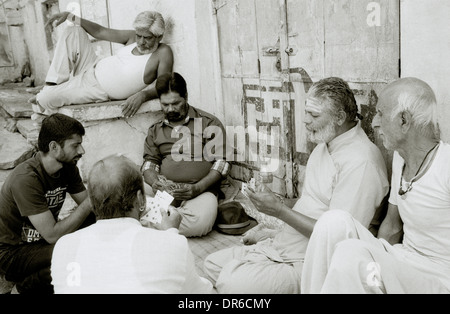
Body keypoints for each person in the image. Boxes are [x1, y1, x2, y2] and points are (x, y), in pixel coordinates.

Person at [203, 77, 390, 294]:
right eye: (306, 112)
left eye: (314, 115)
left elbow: (337, 238)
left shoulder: (362, 161)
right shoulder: (325, 144)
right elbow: (308, 202)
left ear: (339, 117)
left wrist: (279, 211)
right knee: (212, 264)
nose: (305, 120)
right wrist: (276, 201)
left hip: (311, 261)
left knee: (230, 282)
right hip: (284, 244)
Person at [301, 77, 450, 294]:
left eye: (380, 113)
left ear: (404, 121)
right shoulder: (400, 159)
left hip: (436, 277)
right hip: (402, 261)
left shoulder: (446, 166)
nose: (373, 123)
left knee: (351, 255)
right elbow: (392, 226)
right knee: (333, 221)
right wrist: (375, 253)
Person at [51, 155, 215, 294]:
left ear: (91, 203)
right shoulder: (172, 243)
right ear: (141, 198)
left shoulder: (63, 246)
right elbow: (200, 292)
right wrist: (171, 233)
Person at [0, 113, 94, 294]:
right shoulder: (26, 178)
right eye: (76, 145)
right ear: (54, 147)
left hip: (41, 242)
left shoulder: (68, 167)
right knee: (72, 254)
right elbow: (52, 235)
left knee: (95, 226)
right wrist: (92, 200)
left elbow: (91, 206)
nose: (82, 151)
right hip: (12, 252)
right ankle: (21, 288)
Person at [31, 10, 173, 121]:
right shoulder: (132, 37)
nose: (141, 42)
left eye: (147, 38)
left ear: (159, 36)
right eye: (139, 36)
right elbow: (100, 32)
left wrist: (143, 95)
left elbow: (164, 84)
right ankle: (52, 85)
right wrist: (71, 16)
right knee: (73, 31)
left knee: (44, 98)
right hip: (90, 66)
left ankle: (47, 95)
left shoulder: (163, 53)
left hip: (96, 89)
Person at [142, 72, 230, 237]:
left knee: (200, 223)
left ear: (186, 97)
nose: (170, 109)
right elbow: (149, 163)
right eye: (165, 104)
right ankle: (169, 218)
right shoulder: (155, 129)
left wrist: (198, 188)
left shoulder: (209, 123)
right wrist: (155, 183)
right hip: (165, 192)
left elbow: (222, 164)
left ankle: (157, 222)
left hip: (201, 192)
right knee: (128, 194)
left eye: (175, 103)